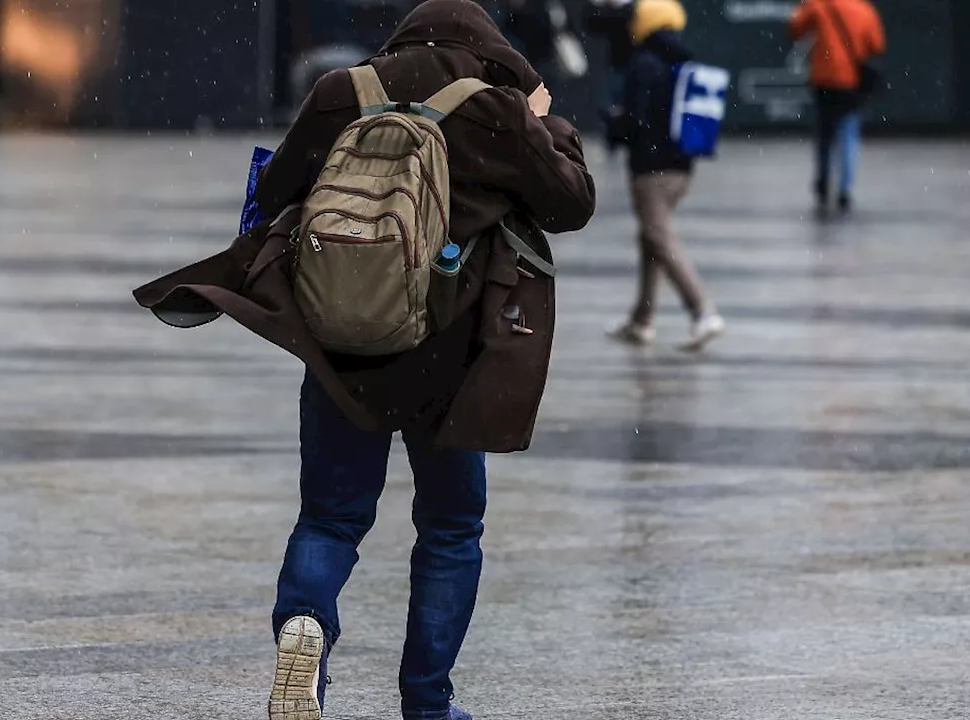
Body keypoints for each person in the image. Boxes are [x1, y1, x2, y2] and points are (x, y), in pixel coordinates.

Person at [133, 2, 595, 717]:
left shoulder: (342, 91)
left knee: (329, 516)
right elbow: (571, 203)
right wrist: (545, 126)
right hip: (450, 354)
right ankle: (427, 702)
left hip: (344, 344)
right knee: (449, 528)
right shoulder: (498, 108)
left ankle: (304, 624)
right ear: (491, 51)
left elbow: (272, 198)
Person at [605, 0, 724, 351]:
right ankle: (642, 320)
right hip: (681, 168)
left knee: (659, 236)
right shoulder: (683, 60)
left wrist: (613, 122)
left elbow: (635, 121)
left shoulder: (643, 62)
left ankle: (703, 311)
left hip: (651, 170)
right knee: (650, 240)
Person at [789, 0, 886, 212]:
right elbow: (877, 44)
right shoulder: (864, 9)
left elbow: (795, 28)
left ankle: (823, 183)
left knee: (825, 133)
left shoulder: (819, 5)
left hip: (824, 80)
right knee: (848, 133)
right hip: (850, 81)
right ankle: (845, 188)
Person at [581, 0, 635, 152]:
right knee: (615, 106)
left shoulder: (632, 10)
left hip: (631, 64)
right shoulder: (607, 13)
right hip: (617, 64)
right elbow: (591, 22)